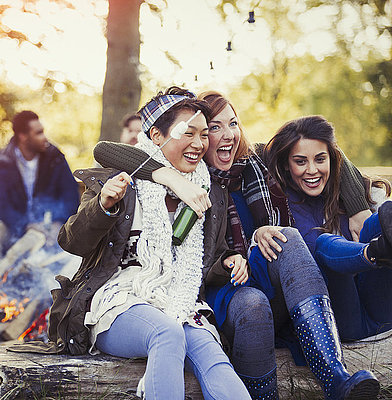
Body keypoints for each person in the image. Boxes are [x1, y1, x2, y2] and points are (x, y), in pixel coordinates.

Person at [93, 92, 380, 399]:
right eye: (213, 128)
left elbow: (326, 146)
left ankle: (334, 377)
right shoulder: (191, 172)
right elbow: (105, 150)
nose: (226, 134)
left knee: (289, 238)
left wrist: (360, 206)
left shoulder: (254, 161)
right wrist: (171, 178)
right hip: (220, 285)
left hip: (262, 269)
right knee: (250, 303)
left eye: (233, 123)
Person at [12, 87, 252, 399]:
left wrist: (226, 262)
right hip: (118, 300)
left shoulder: (206, 191)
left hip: (176, 299)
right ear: (156, 135)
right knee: (166, 333)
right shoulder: (119, 179)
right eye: (188, 133)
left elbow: (199, 265)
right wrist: (105, 205)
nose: (198, 143)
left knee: (212, 355)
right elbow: (71, 241)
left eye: (204, 134)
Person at [264, 115, 392, 342]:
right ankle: (375, 252)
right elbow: (242, 147)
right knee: (324, 244)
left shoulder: (358, 192)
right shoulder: (278, 203)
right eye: (300, 161)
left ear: (333, 159)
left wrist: (359, 209)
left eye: (320, 159)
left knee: (378, 220)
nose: (312, 170)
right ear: (286, 163)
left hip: (384, 314)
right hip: (343, 322)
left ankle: (378, 249)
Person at [0, 110, 80, 244]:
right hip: (14, 227)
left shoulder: (55, 158)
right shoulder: (1, 162)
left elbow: (71, 196)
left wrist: (57, 222)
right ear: (23, 136)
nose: (45, 138)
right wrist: (24, 225)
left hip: (49, 226)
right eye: (38, 133)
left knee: (65, 233)